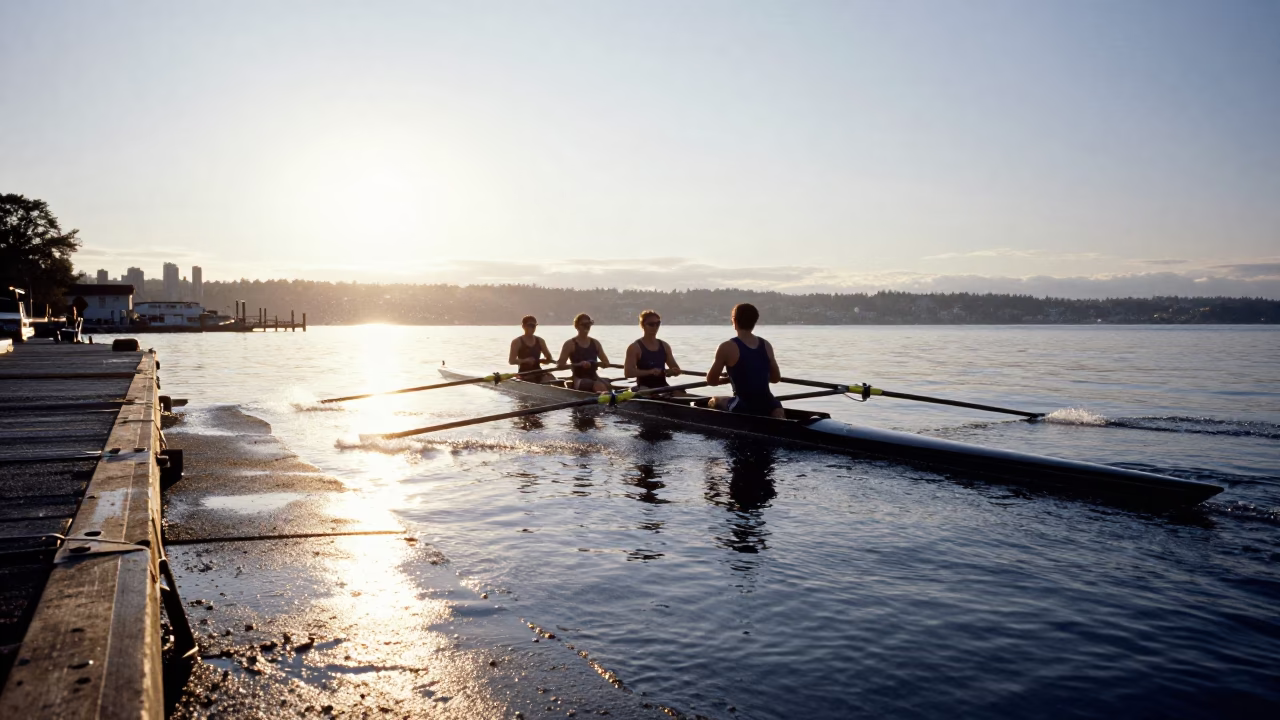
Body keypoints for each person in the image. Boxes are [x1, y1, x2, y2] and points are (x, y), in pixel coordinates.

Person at [706, 303, 785, 418]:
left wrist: (728, 379)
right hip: (770, 404)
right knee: (776, 411)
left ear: (734, 321)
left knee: (713, 401)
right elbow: (775, 378)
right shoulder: (766, 345)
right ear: (754, 322)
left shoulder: (726, 347)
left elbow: (711, 381)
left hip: (743, 405)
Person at [624, 309, 682, 390]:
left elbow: (676, 369)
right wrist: (650, 372)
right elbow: (628, 373)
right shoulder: (634, 348)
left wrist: (673, 372)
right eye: (651, 324)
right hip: (644, 388)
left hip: (663, 386)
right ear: (643, 325)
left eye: (658, 324)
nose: (655, 327)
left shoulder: (665, 346)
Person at [558, 313, 611, 392]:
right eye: (584, 324)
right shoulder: (570, 344)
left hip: (594, 377)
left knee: (608, 384)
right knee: (597, 385)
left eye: (588, 324)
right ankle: (605, 400)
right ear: (576, 326)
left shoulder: (595, 343)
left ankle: (606, 399)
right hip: (578, 378)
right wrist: (579, 364)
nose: (587, 327)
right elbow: (560, 366)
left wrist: (602, 364)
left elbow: (606, 362)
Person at [508, 315, 555, 383]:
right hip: (524, 374)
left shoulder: (540, 341)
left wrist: (543, 361)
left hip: (538, 372)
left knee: (552, 378)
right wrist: (525, 361)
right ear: (523, 326)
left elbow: (549, 358)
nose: (532, 328)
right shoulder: (517, 342)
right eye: (530, 325)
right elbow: (511, 361)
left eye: (534, 326)